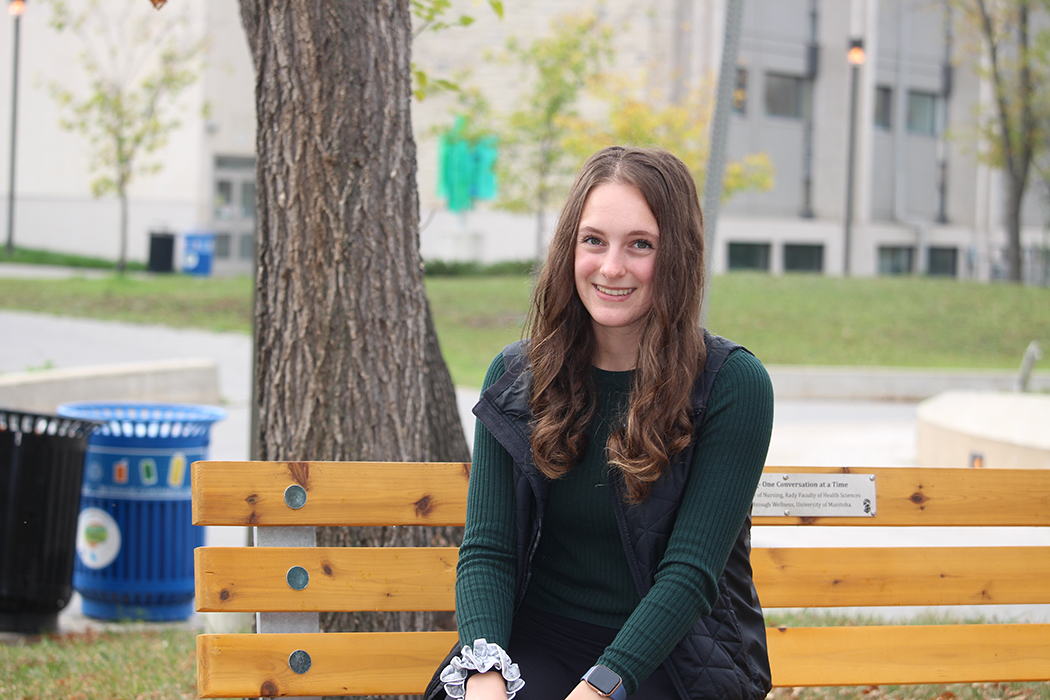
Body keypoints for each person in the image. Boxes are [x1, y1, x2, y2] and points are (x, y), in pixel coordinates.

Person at [427, 146, 774, 700]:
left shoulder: (731, 385)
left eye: (641, 245)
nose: (612, 267)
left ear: (677, 255)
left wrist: (599, 689)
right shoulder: (518, 375)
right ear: (570, 248)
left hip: (671, 655)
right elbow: (489, 549)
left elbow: (689, 576)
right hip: (534, 641)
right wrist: (485, 674)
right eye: (594, 241)